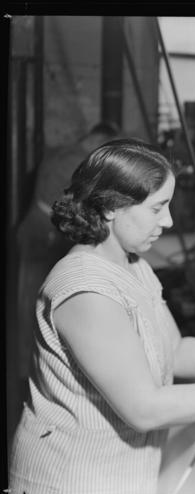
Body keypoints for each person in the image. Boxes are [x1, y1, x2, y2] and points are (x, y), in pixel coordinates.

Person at [8, 139, 195, 494]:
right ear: (111, 208)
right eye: (157, 208)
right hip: (72, 479)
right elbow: (144, 409)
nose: (168, 220)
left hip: (122, 473)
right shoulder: (86, 291)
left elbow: (175, 352)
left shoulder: (134, 266)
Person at [9, 122, 122, 443]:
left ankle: (28, 365)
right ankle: (30, 369)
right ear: (98, 138)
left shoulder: (61, 151)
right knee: (37, 301)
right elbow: (83, 204)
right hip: (42, 231)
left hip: (36, 226)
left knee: (30, 299)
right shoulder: (75, 160)